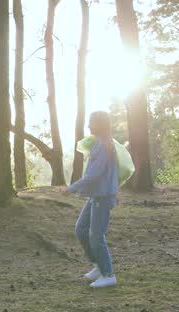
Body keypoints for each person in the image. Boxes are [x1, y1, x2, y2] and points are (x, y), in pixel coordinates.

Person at [68, 111, 119, 289]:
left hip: (102, 196)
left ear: (101, 124)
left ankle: (108, 274)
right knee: (81, 229)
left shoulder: (105, 145)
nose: (89, 126)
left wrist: (71, 188)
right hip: (95, 196)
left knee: (96, 236)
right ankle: (98, 267)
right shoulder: (99, 144)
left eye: (92, 123)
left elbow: (94, 175)